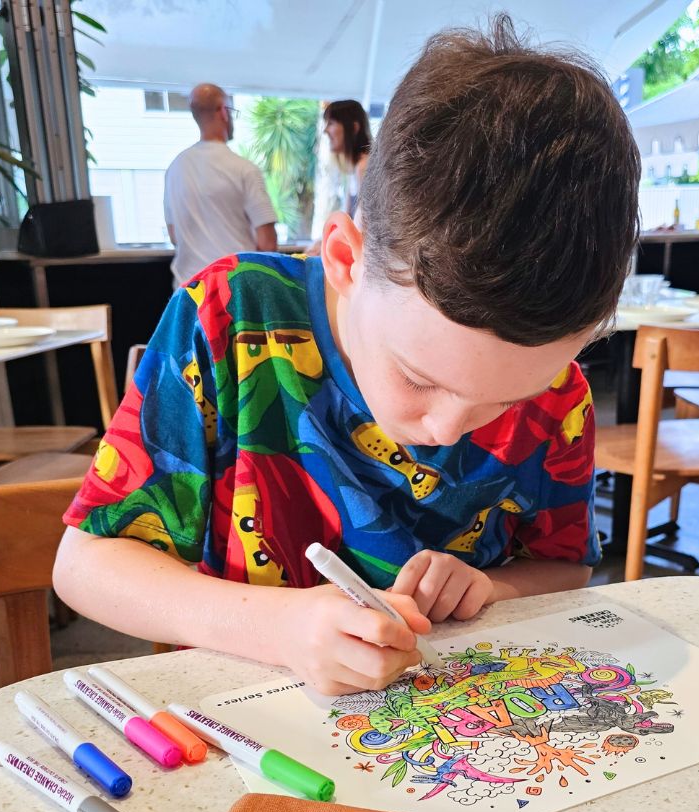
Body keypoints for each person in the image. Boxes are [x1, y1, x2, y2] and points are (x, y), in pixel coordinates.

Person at [53, 16, 641, 698]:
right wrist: (279, 628)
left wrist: (492, 584)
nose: (448, 431)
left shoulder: (559, 392)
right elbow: (85, 564)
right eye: (418, 378)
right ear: (343, 258)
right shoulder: (228, 316)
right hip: (248, 718)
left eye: (507, 402)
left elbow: (565, 567)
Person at [163, 83, 278, 288]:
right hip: (233, 292)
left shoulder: (174, 168)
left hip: (186, 292)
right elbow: (267, 243)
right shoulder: (244, 169)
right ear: (224, 112)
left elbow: (174, 236)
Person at [306, 100, 373, 255]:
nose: (326, 131)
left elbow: (364, 228)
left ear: (354, 128)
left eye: (331, 123)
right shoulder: (355, 168)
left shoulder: (365, 166)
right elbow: (350, 221)